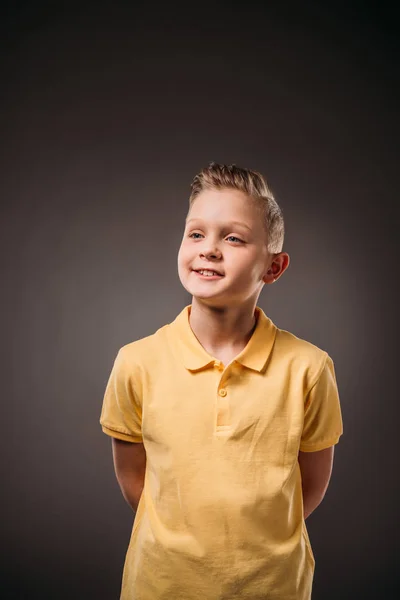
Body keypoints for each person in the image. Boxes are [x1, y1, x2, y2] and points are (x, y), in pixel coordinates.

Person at [99, 162, 344, 600]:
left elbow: (310, 486)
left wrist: (255, 543)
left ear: (274, 267)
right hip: (160, 585)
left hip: (275, 587)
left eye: (232, 238)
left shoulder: (309, 368)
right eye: (196, 233)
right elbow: (134, 479)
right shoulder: (137, 362)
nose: (209, 249)